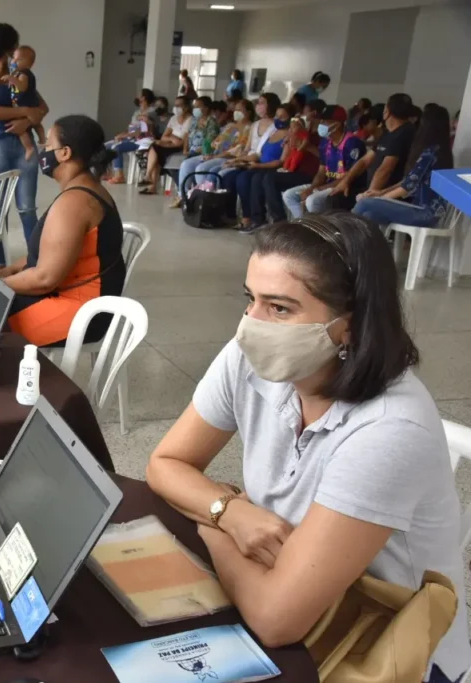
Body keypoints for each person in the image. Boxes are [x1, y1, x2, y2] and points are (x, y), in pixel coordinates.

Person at [145, 213, 470, 683]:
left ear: (350, 326)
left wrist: (213, 525)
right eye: (249, 299)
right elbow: (166, 463)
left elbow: (278, 619)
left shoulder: (389, 430)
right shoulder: (249, 357)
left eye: (280, 308)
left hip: (381, 644)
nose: (250, 325)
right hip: (288, 591)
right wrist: (231, 512)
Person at [1, 115, 125, 348]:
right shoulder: (83, 188)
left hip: (80, 312)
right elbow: (52, 253)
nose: (43, 151)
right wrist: (10, 270)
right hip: (70, 297)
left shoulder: (75, 202)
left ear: (65, 153)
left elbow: (45, 278)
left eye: (48, 145)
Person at [0, 22, 48, 264]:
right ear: (9, 47)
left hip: (23, 145)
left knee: (27, 209)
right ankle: (0, 264)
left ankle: (37, 262)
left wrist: (26, 124)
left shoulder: (21, 75)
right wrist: (26, 113)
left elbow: (43, 108)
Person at [353, 103, 453, 228]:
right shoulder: (441, 152)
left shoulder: (430, 153)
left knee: (365, 203)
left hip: (424, 213)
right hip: (428, 213)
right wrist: (380, 193)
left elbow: (407, 187)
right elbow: (408, 181)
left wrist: (380, 198)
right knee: (370, 214)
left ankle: (340, 238)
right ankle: (365, 245)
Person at [282, 105, 366, 219]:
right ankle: (303, 225)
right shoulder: (325, 142)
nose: (321, 124)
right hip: (327, 184)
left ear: (337, 124)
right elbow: (321, 172)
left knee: (313, 200)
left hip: (345, 187)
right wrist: (312, 188)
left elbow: (348, 177)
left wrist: (317, 190)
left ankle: (318, 230)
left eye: (325, 121)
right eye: (321, 121)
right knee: (290, 195)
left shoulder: (352, 143)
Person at [332, 93, 416, 200]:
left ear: (387, 112)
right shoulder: (389, 133)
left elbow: (385, 170)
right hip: (371, 190)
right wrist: (345, 181)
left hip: (386, 195)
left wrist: (367, 199)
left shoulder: (404, 133)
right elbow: (365, 161)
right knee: (335, 197)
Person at [219, 94, 284, 222]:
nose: (258, 106)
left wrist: (241, 161)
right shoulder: (255, 125)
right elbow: (248, 149)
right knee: (227, 178)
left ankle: (247, 217)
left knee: (242, 180)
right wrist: (237, 160)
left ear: (271, 105)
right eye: (258, 103)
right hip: (249, 159)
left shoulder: (276, 127)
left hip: (260, 162)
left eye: (262, 103)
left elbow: (263, 154)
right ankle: (229, 215)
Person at [228, 106, 293, 231]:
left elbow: (281, 161)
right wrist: (239, 160)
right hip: (259, 164)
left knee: (253, 179)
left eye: (282, 117)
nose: (278, 119)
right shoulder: (272, 132)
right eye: (276, 116)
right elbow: (259, 154)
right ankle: (233, 215)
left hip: (270, 168)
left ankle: (257, 218)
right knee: (230, 177)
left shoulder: (289, 137)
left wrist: (258, 166)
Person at [177, 99, 254, 199]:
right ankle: (184, 197)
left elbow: (238, 149)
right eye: (236, 109)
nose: (236, 112)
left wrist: (215, 156)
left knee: (202, 168)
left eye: (240, 110)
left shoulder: (250, 128)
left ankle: (205, 198)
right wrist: (208, 153)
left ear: (248, 112)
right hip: (215, 154)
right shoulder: (230, 126)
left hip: (227, 157)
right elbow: (216, 142)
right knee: (186, 164)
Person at [262, 122, 320, 224]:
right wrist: (289, 143)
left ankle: (280, 221)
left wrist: (305, 144)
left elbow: (323, 156)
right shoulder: (298, 136)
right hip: (295, 173)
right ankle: (261, 219)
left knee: (271, 178)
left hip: (311, 175)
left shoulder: (318, 137)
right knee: (262, 177)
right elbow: (290, 158)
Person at [169, 96, 220, 208]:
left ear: (206, 108)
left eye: (198, 106)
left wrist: (195, 150)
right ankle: (184, 191)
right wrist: (185, 149)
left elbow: (209, 142)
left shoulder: (211, 123)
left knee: (185, 163)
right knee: (172, 166)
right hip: (190, 150)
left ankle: (184, 195)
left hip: (202, 151)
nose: (195, 109)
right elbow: (188, 135)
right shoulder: (195, 120)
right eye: (194, 106)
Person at [139, 96, 193, 195]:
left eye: (178, 105)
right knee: (155, 149)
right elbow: (164, 136)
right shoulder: (173, 119)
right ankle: (150, 181)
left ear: (186, 107)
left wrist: (169, 140)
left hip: (180, 147)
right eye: (175, 105)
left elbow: (183, 141)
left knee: (155, 149)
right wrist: (172, 138)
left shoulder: (190, 120)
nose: (176, 108)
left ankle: (149, 179)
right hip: (170, 144)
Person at [103, 89, 158, 184]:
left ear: (143, 98)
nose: (136, 97)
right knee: (105, 146)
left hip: (139, 140)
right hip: (129, 137)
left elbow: (143, 130)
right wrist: (123, 134)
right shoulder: (136, 112)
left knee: (116, 148)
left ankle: (119, 175)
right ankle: (107, 172)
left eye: (138, 95)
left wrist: (125, 135)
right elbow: (130, 128)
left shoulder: (151, 112)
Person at [2, 45, 46, 160]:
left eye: (19, 60)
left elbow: (22, 87)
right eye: (14, 58)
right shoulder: (18, 74)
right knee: (36, 124)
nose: (14, 61)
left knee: (20, 129)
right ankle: (42, 139)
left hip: (27, 105)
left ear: (29, 64)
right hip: (29, 103)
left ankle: (29, 147)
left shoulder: (24, 74)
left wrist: (12, 79)